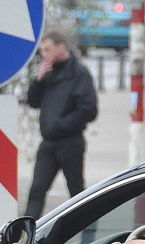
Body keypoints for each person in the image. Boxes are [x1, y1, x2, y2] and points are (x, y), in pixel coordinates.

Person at [24, 32, 98, 219]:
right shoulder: (48, 72)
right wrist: (38, 79)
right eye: (42, 50)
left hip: (70, 142)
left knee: (76, 191)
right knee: (37, 190)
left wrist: (60, 125)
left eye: (47, 49)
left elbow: (89, 110)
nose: (44, 54)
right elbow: (32, 101)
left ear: (61, 47)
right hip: (48, 142)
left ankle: (86, 229)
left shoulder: (79, 73)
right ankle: (24, 235)